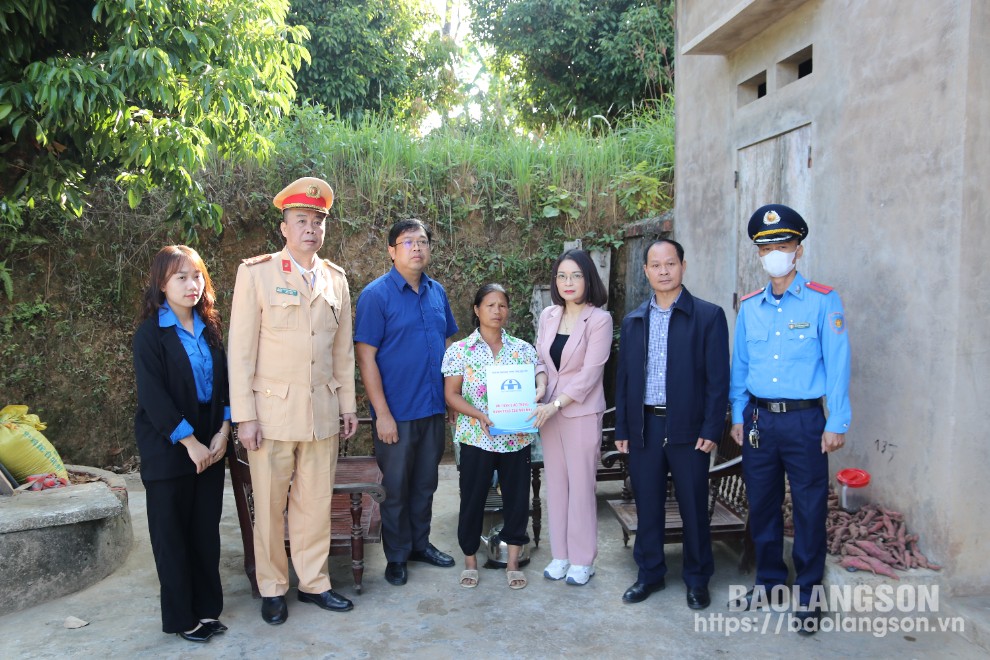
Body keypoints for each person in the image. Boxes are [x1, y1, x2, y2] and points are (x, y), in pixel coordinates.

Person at [228, 176, 358, 625]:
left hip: (322, 414)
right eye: (301, 220)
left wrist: (347, 406)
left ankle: (315, 583)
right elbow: (240, 352)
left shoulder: (336, 280)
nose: (310, 229)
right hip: (272, 415)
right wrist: (244, 417)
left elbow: (341, 351)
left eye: (318, 221)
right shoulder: (257, 273)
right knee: (269, 506)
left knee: (315, 503)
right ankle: (272, 587)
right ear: (284, 227)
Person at [729, 204, 851, 635]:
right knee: (761, 504)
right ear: (759, 255)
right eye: (766, 247)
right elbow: (740, 366)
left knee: (809, 508)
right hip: (760, 420)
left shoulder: (822, 300)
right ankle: (769, 582)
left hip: (804, 423)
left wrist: (838, 420)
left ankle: (808, 596)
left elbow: (838, 363)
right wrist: (738, 413)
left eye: (782, 244)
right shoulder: (751, 306)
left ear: (797, 249)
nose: (775, 253)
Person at [613, 239, 729, 610]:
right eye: (655, 265)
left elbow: (717, 380)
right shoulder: (633, 321)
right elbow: (625, 380)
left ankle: (697, 579)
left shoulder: (708, 317)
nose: (663, 271)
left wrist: (712, 429)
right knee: (648, 505)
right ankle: (650, 574)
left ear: (683, 266)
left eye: (670, 263)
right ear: (645, 271)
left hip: (689, 430)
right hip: (645, 428)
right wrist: (623, 429)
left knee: (694, 506)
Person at [133, 245, 230, 643]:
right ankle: (181, 617)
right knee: (171, 536)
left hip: (212, 442)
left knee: (205, 531)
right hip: (169, 448)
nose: (192, 285)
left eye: (197, 276)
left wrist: (223, 432)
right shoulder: (150, 335)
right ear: (161, 283)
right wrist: (190, 442)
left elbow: (225, 384)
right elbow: (154, 397)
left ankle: (207, 609)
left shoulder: (209, 328)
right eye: (181, 278)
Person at [354, 218, 459, 586]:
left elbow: (448, 347)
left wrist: (452, 399)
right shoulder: (375, 296)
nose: (417, 248)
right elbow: (366, 357)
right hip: (395, 413)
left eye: (423, 241)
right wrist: (381, 413)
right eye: (408, 242)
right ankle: (396, 556)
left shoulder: (437, 292)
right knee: (395, 488)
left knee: (425, 483)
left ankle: (420, 545)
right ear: (391, 251)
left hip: (432, 407)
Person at [442, 283, 545, 590]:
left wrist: (539, 390)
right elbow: (451, 395)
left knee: (516, 500)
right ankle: (471, 561)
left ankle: (513, 563)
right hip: (477, 437)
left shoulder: (522, 349)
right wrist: (479, 415)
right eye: (490, 305)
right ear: (477, 310)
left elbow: (537, 379)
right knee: (472, 500)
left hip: (515, 438)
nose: (497, 311)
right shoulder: (460, 350)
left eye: (502, 305)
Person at [530, 249, 612, 586]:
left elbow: (590, 374)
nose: (568, 282)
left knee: (580, 487)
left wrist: (556, 404)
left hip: (578, 412)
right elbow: (540, 359)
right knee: (557, 486)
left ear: (588, 279)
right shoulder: (549, 315)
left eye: (575, 275)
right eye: (562, 276)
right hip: (548, 412)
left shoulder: (599, 320)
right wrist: (540, 384)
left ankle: (582, 559)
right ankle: (560, 555)